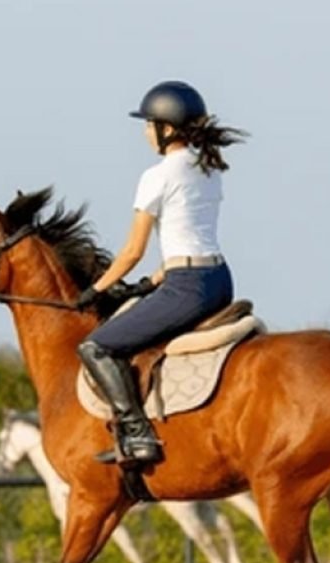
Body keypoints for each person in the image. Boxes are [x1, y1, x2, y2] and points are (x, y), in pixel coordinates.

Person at [75, 81, 247, 466]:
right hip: (216, 279)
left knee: (95, 347)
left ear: (167, 128)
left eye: (149, 123)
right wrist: (148, 284)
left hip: (187, 287)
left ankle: (138, 435)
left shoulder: (157, 176)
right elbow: (189, 236)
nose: (144, 130)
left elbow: (132, 251)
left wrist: (97, 290)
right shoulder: (208, 168)